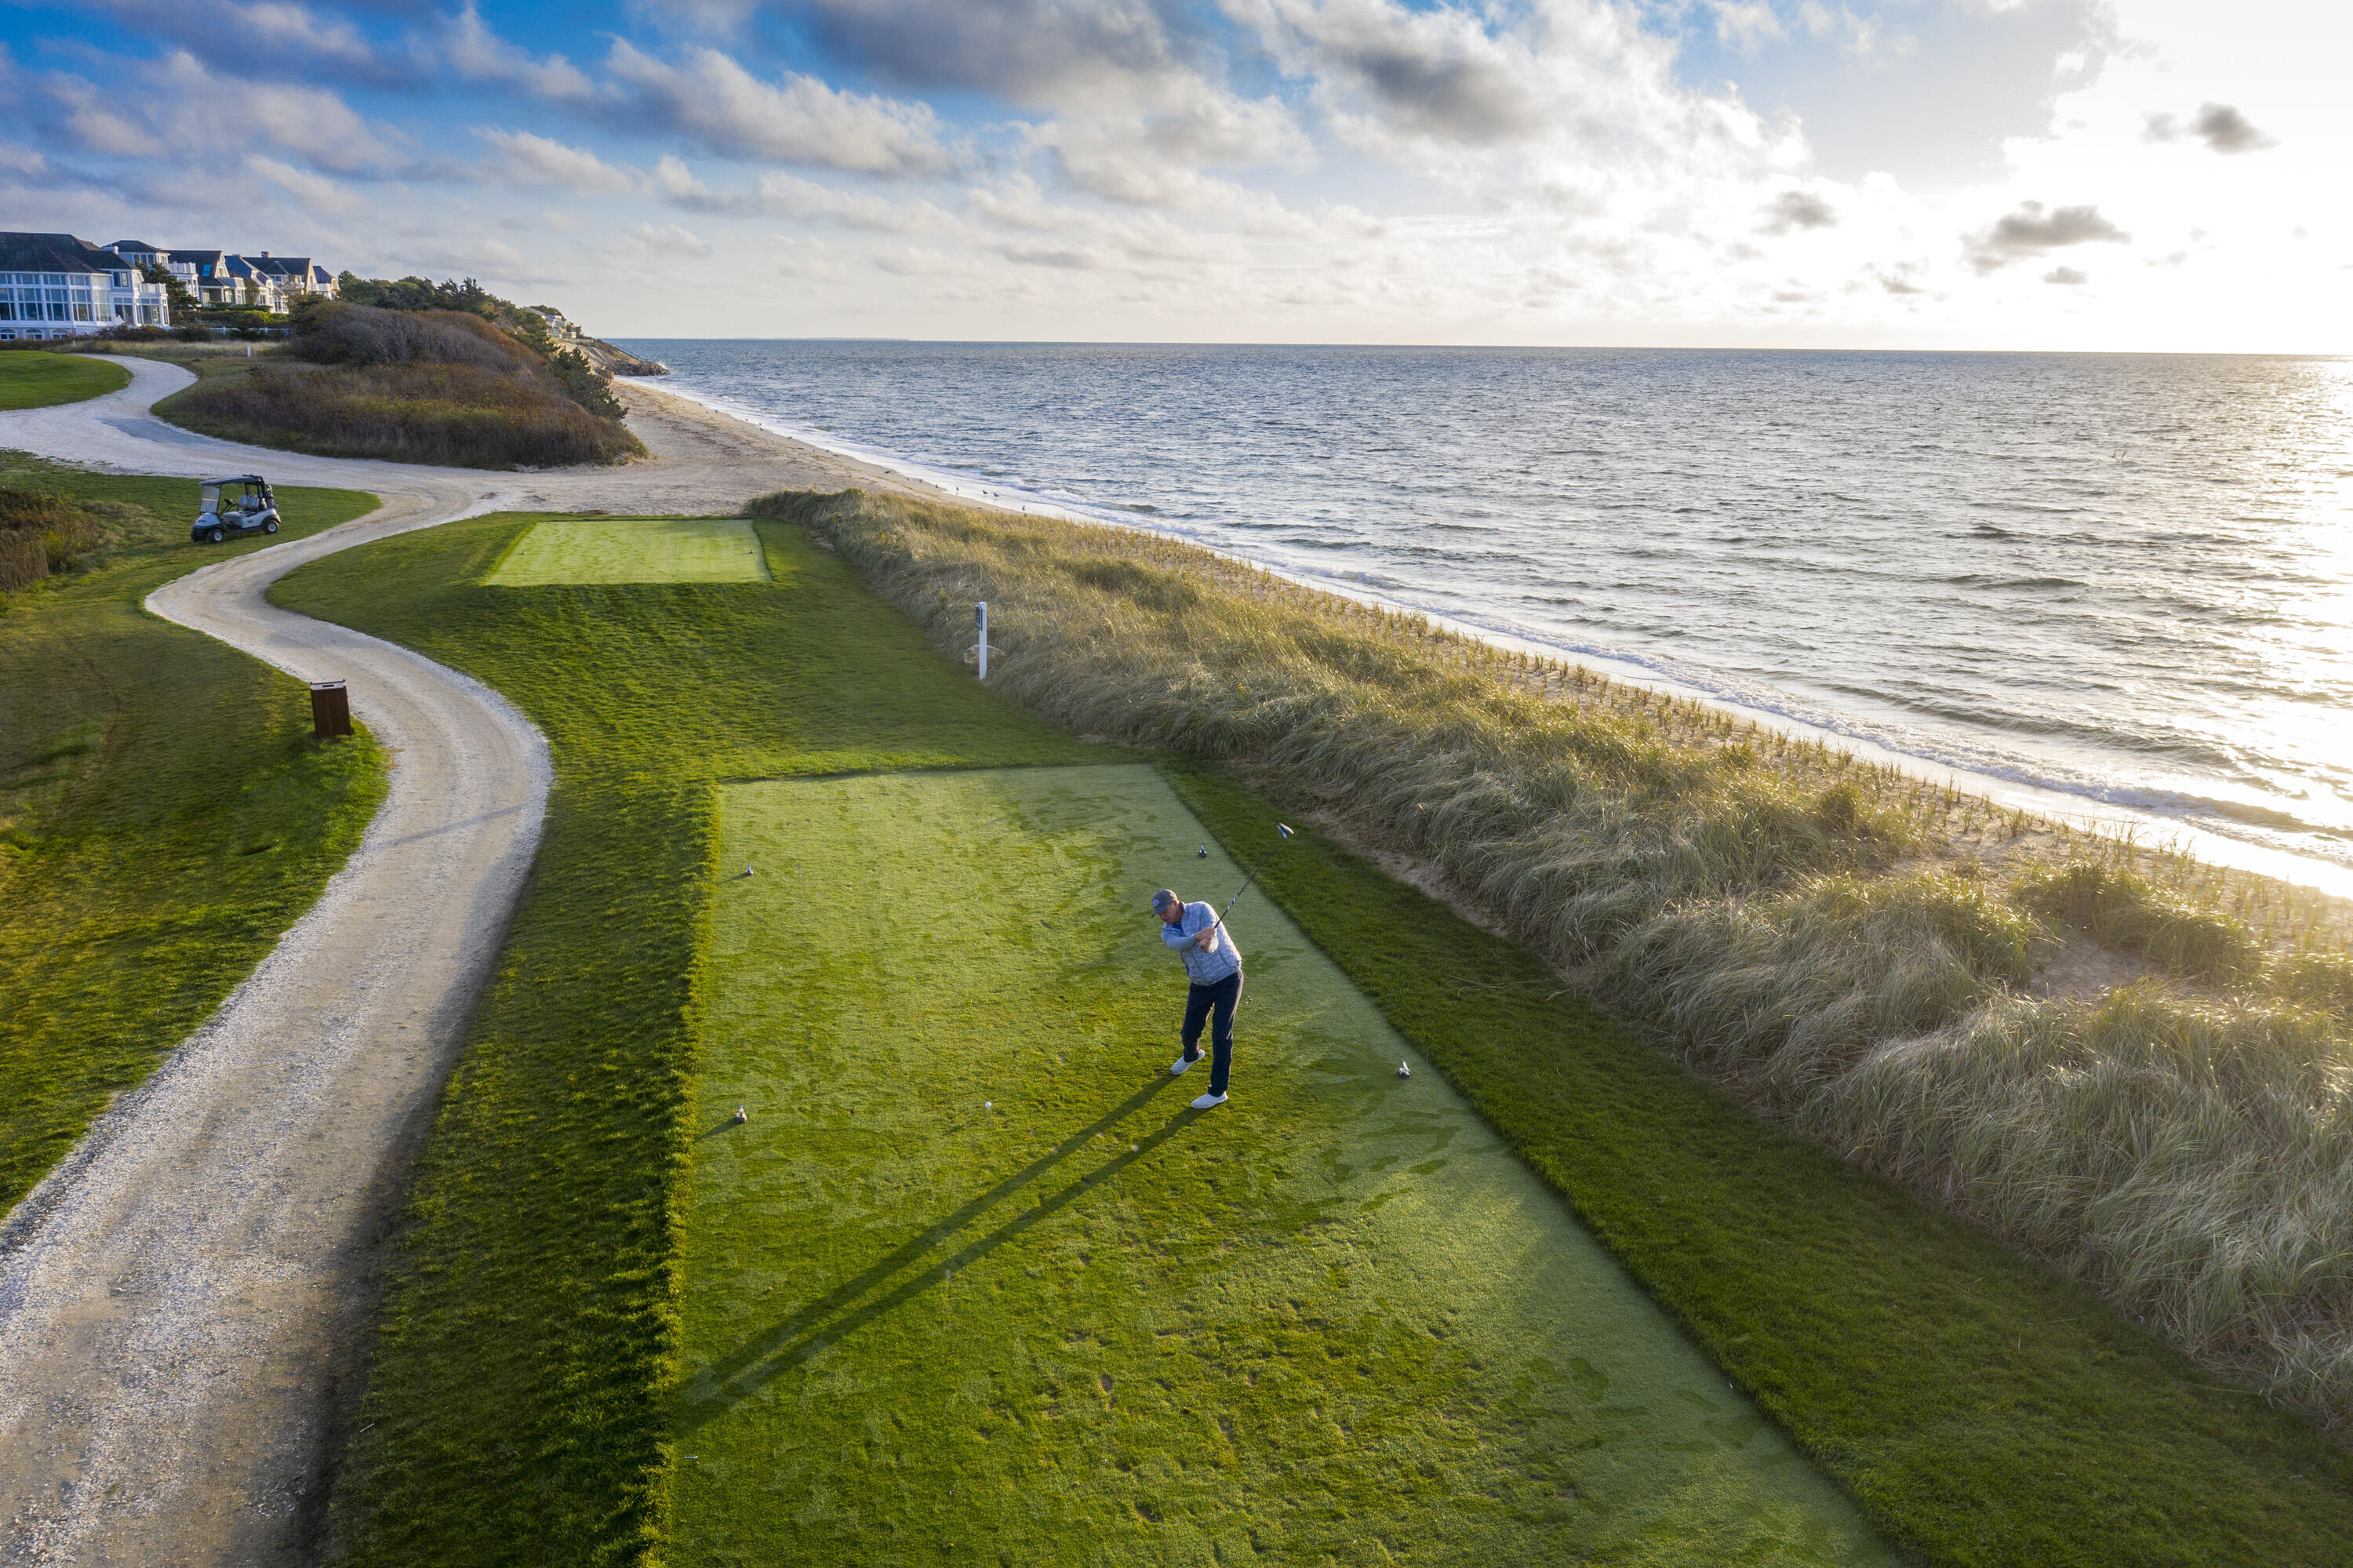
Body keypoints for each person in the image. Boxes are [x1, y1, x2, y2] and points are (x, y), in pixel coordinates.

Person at [1151, 888, 1242, 1110]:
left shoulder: (1202, 909)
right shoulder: (1167, 931)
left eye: (1165, 910)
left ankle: (1218, 1092)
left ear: (1175, 902)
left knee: (1221, 1035)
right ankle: (1192, 1055)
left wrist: (1206, 940)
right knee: (1189, 1031)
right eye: (1159, 914)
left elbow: (1212, 943)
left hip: (1228, 978)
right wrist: (1197, 937)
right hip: (1200, 983)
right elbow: (1177, 944)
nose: (1163, 916)